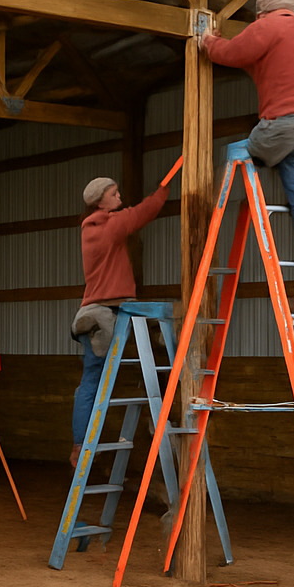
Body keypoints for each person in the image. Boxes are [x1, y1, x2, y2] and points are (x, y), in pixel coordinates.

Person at [201, 0, 294, 312]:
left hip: (282, 125)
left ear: (261, 11)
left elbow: (229, 54)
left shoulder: (265, 26)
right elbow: (269, 66)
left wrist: (207, 40)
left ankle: (212, 215)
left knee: (236, 153)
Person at [69, 176, 169, 463]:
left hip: (93, 309)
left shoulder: (92, 229)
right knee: (142, 367)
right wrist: (162, 193)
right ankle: (160, 420)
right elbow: (141, 213)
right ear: (101, 201)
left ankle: (79, 445)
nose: (119, 196)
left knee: (90, 380)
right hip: (111, 310)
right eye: (114, 193)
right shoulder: (109, 227)